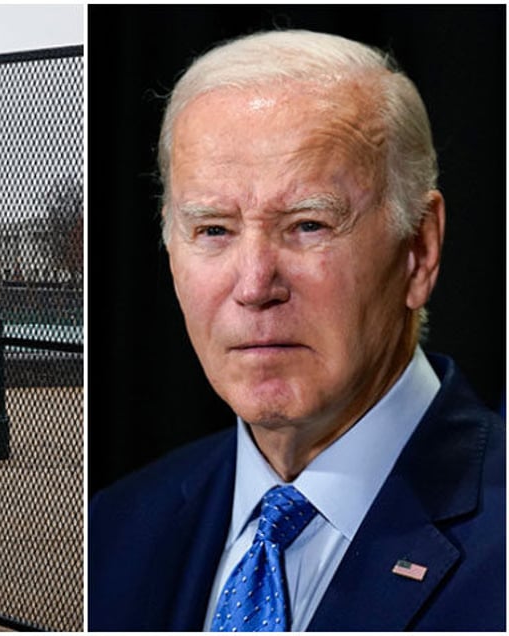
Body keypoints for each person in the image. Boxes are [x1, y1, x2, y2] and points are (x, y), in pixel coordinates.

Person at [88, 30, 505, 631]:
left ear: (419, 250)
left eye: (308, 225)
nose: (255, 285)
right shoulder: (116, 527)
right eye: (213, 230)